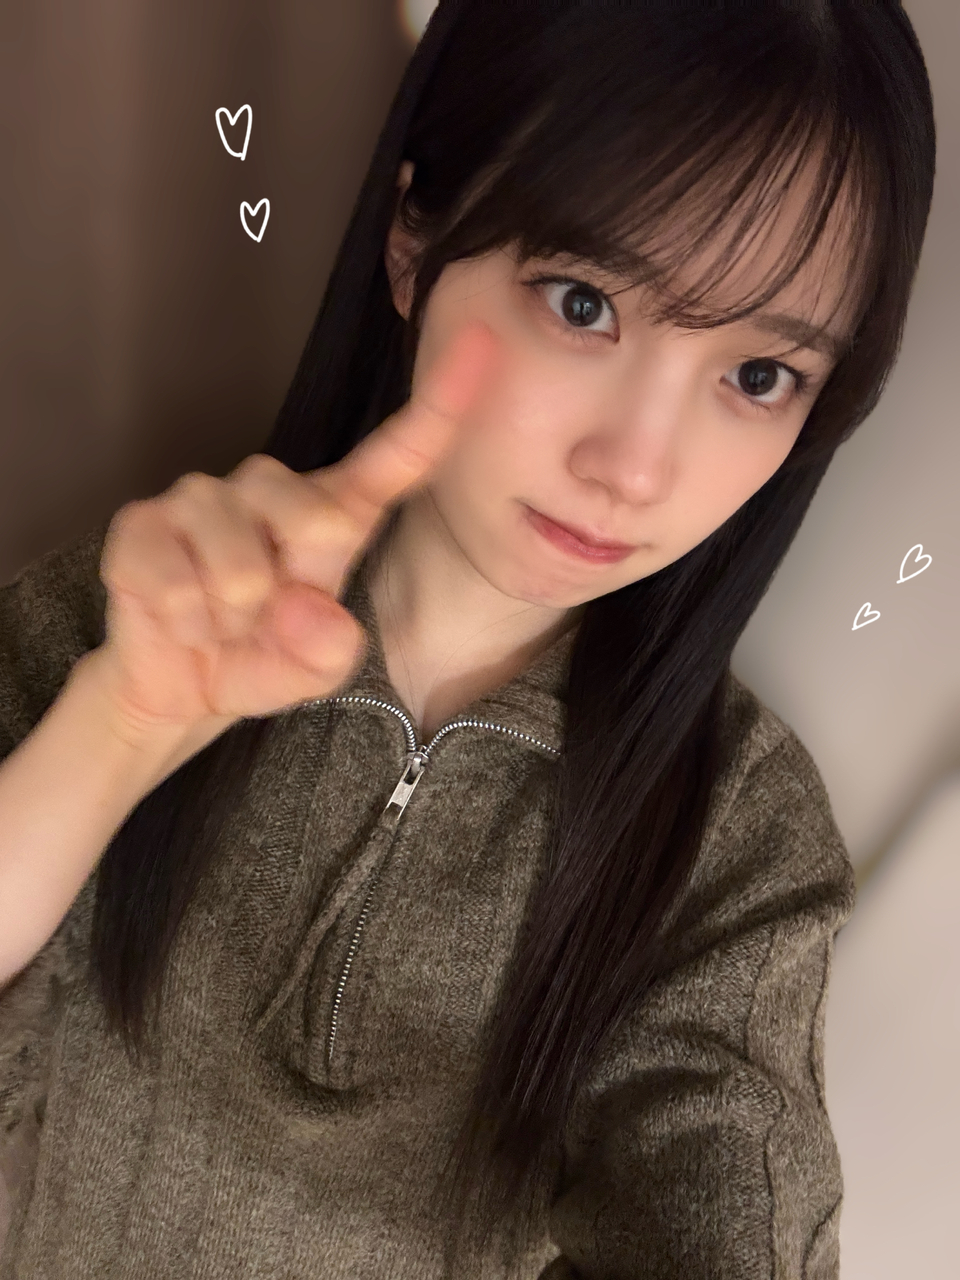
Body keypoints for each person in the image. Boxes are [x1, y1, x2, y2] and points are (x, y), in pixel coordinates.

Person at [0, 2, 936, 1277]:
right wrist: (116, 730)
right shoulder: (143, 608)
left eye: (759, 376)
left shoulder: (736, 848)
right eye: (583, 301)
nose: (636, 466)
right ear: (413, 240)